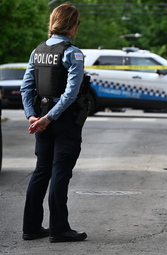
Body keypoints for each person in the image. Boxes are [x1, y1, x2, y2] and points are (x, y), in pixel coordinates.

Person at [21, 3, 87, 242]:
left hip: (41, 119)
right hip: (63, 120)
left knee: (41, 171)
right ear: (72, 25)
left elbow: (26, 87)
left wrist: (33, 116)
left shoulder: (37, 51)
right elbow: (71, 94)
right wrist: (50, 118)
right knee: (60, 172)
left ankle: (31, 227)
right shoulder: (72, 52)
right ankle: (59, 229)